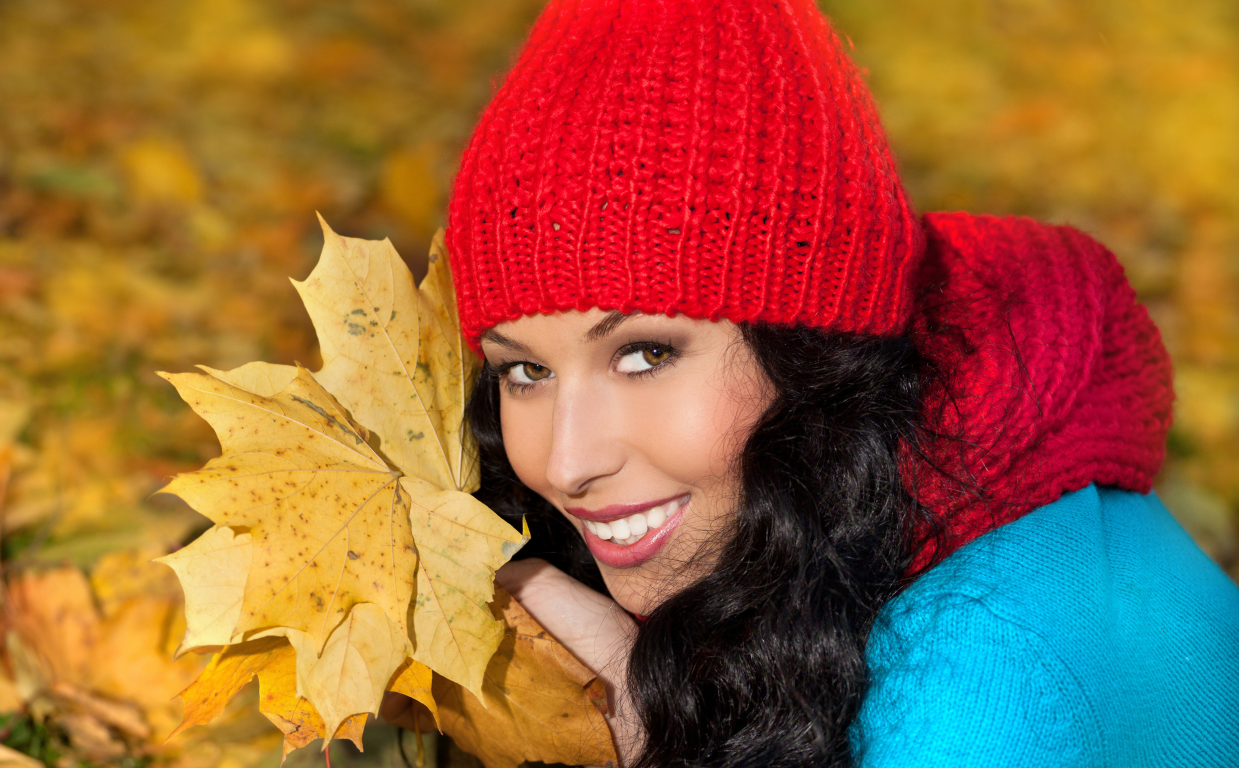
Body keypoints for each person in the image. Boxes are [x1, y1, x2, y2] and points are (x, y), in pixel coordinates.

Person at [437, 0, 1239, 765]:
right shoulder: (900, 505)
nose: (567, 461)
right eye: (526, 370)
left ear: (810, 351)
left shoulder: (979, 685)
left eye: (646, 354)